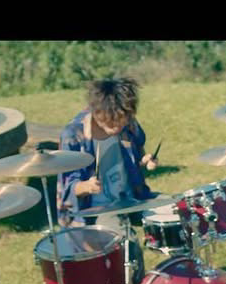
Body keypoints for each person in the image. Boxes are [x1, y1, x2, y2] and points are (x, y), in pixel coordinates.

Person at [56, 76, 159, 230]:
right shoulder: (73, 135)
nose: (118, 126)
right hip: (98, 209)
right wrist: (86, 186)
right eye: (112, 121)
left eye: (122, 120)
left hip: (134, 198)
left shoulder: (127, 121)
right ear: (97, 112)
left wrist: (145, 161)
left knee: (177, 210)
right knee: (121, 237)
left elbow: (137, 155)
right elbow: (68, 189)